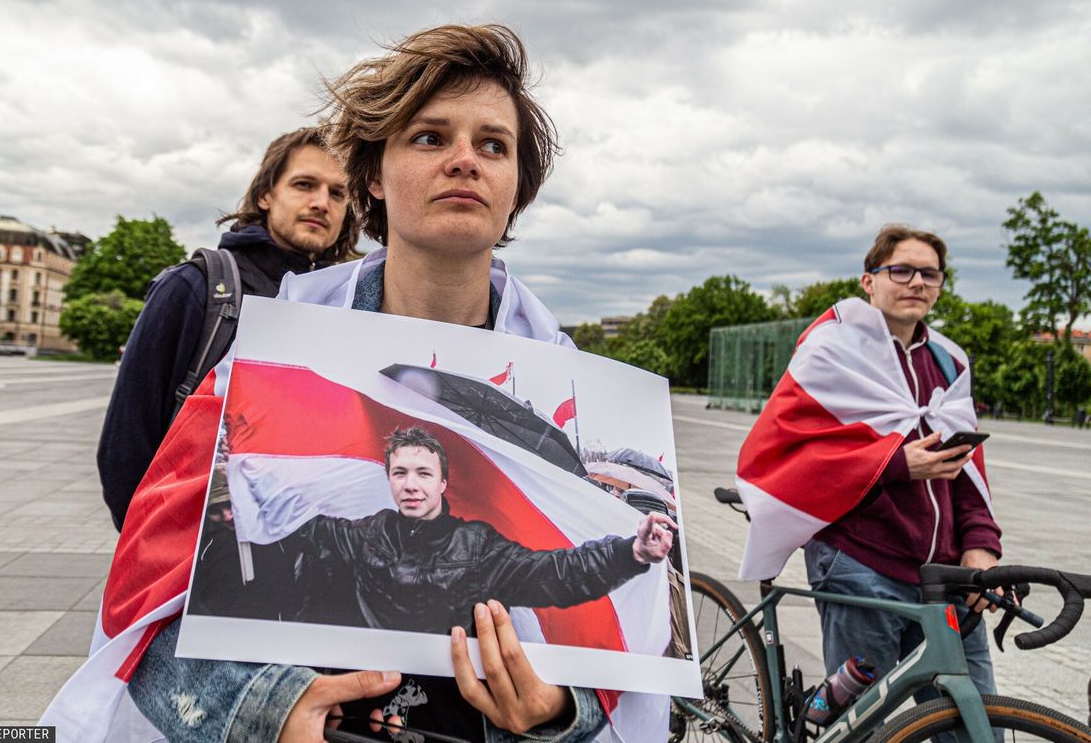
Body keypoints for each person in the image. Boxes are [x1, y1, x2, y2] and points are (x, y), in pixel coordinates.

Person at [44, 25, 628, 742]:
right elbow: (149, 592)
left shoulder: (559, 389)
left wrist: (557, 712)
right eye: (429, 137)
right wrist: (266, 708)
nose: (464, 161)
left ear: (516, 189)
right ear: (374, 178)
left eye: (493, 145)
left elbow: (617, 644)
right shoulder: (275, 347)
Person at [737, 225, 1002, 709]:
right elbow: (793, 448)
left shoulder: (949, 362)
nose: (917, 282)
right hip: (862, 560)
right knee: (864, 723)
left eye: (930, 274)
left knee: (974, 719)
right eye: (901, 270)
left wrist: (982, 544)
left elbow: (968, 470)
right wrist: (896, 465)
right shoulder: (833, 351)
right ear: (869, 281)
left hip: (943, 575)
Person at [96, 126, 359, 531]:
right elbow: (125, 446)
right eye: (304, 184)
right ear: (264, 195)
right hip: (192, 552)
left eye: (337, 193)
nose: (321, 203)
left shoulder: (346, 305)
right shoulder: (195, 287)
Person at [278, 426, 674, 634]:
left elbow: (556, 572)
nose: (411, 485)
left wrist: (630, 552)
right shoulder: (367, 532)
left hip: (448, 698)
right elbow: (307, 528)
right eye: (400, 473)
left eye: (423, 474)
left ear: (442, 483)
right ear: (389, 480)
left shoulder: (477, 546)